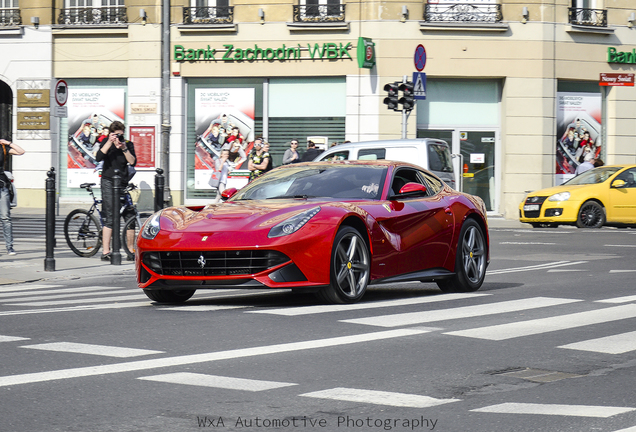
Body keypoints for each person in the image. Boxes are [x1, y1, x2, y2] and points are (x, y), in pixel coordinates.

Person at [95, 121, 136, 261]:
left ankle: (131, 250)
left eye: (120, 134)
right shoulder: (106, 142)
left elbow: (132, 162)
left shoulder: (128, 144)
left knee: (130, 216)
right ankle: (106, 251)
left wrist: (124, 148)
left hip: (122, 182)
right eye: (116, 134)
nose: (118, 137)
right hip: (108, 182)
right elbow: (98, 157)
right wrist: (109, 142)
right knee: (111, 216)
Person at [0, 139, 25, 256]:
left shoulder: (3, 148)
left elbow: (21, 151)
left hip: (2, 187)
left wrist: (8, 143)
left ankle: (9, 247)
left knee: (6, 217)